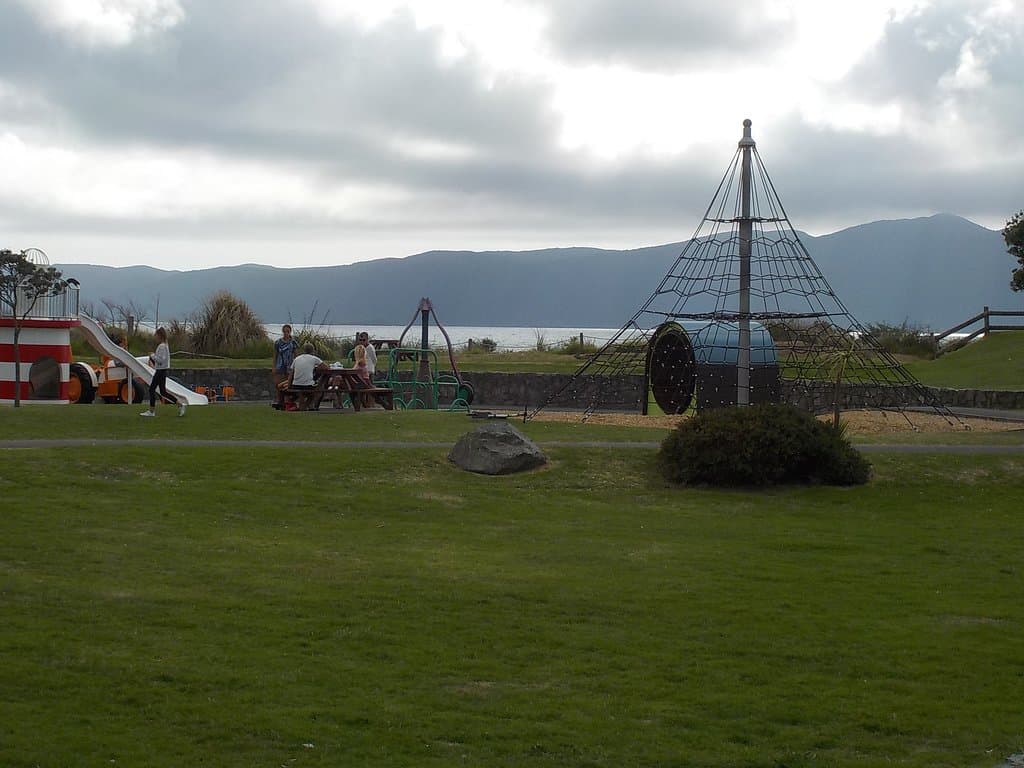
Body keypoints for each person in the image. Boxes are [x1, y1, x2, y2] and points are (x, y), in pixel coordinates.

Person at [140, 327, 186, 417]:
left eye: (156, 335)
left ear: (160, 335)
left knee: (152, 389)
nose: (155, 337)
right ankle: (180, 404)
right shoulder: (165, 345)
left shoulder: (162, 346)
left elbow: (161, 360)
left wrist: (152, 355)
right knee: (163, 392)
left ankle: (152, 411)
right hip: (162, 370)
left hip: (160, 371)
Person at [288, 343, 328, 411]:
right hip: (307, 385)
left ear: (303, 350)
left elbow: (291, 374)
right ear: (313, 351)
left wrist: (289, 386)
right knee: (318, 390)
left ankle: (303, 407)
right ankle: (304, 407)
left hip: (295, 385)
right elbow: (326, 367)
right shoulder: (314, 358)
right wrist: (317, 367)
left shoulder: (296, 359)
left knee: (303, 392)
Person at [272, 324, 300, 409]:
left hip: (290, 365)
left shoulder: (293, 342)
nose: (286, 333)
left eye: (287, 331)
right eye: (284, 331)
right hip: (280, 365)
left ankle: (287, 402)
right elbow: (275, 355)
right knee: (278, 384)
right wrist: (274, 366)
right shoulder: (278, 342)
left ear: (290, 332)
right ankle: (280, 401)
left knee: (288, 384)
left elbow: (296, 354)